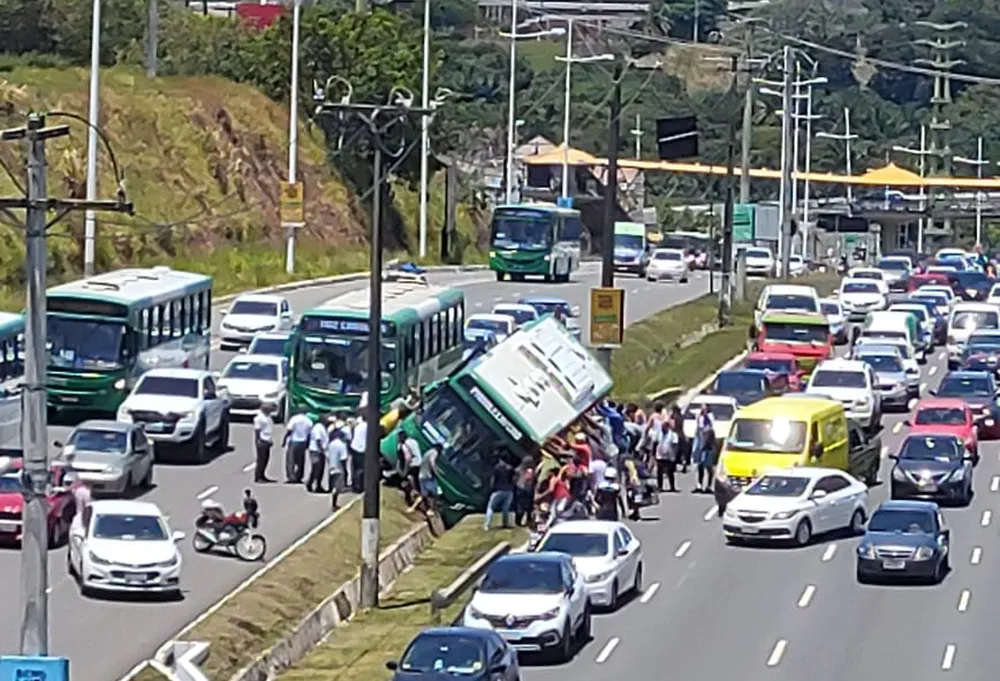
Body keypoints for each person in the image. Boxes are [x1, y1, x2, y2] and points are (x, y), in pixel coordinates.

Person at [692, 403, 717, 493]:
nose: (702, 409)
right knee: (700, 465)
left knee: (708, 466)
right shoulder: (700, 416)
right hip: (700, 441)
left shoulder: (710, 416)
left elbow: (710, 426)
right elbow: (698, 427)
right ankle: (699, 485)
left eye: (704, 407)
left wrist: (705, 415)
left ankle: (709, 486)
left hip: (708, 443)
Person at [484, 456, 515, 530]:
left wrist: (492, 489)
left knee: (490, 507)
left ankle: (487, 525)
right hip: (509, 491)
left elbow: (493, 480)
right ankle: (505, 524)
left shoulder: (497, 468)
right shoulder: (510, 468)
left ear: (501, 460)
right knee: (505, 509)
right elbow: (514, 479)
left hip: (498, 490)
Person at [283, 409, 313, 484]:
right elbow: (310, 433)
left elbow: (289, 430)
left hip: (294, 440)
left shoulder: (294, 419)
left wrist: (284, 440)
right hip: (303, 441)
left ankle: (291, 477)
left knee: (291, 460)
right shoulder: (308, 420)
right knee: (300, 460)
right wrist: (308, 443)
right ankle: (299, 476)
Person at [325, 420, 349, 510]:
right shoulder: (341, 445)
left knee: (333, 486)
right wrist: (344, 470)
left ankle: (333, 504)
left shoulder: (331, 444)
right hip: (339, 469)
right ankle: (333, 504)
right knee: (337, 488)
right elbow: (344, 458)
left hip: (331, 467)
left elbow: (327, 455)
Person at [654, 417, 679, 493]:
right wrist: (653, 454)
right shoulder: (659, 433)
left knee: (670, 472)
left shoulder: (673, 435)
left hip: (669, 456)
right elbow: (655, 443)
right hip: (660, 455)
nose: (662, 428)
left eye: (664, 426)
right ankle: (660, 487)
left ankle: (672, 486)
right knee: (659, 472)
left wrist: (675, 455)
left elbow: (675, 445)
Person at [306, 414, 330, 493]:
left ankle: (317, 485)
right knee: (316, 468)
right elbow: (318, 440)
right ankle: (311, 484)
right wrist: (322, 450)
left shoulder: (322, 427)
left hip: (320, 450)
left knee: (320, 469)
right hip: (316, 451)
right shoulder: (318, 428)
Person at [252, 402, 275, 483]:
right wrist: (257, 440)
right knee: (261, 460)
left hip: (267, 440)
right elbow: (257, 430)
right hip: (262, 440)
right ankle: (258, 477)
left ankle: (262, 475)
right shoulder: (259, 418)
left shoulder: (267, 417)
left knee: (265, 460)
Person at [513, 456, 535, 526]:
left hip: (519, 487)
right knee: (529, 505)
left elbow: (514, 479)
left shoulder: (518, 469)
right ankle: (528, 520)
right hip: (528, 489)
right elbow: (530, 478)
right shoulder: (531, 470)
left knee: (519, 505)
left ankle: (518, 521)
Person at [349, 412, 367, 494]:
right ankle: (359, 486)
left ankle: (354, 485)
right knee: (361, 469)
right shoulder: (367, 427)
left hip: (354, 447)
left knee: (354, 467)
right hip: (361, 449)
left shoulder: (359, 425)